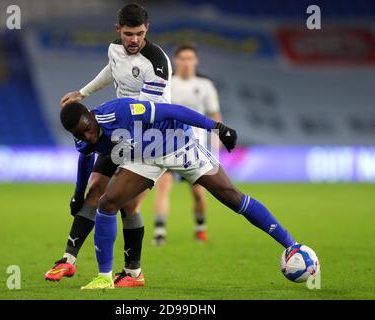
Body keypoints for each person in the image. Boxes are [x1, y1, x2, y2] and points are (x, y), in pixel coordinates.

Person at [59, 97, 297, 290]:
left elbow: (172, 110)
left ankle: (291, 245)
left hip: (178, 143)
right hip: (145, 157)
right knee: (108, 203)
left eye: (88, 129)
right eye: (81, 134)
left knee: (232, 197)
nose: (88, 136)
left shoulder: (121, 110)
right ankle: (103, 278)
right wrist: (78, 194)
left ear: (91, 115)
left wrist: (217, 128)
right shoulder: (83, 139)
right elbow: (85, 161)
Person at [45, 3, 172, 287]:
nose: (134, 40)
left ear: (147, 29)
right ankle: (68, 259)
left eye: (139, 33)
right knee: (96, 190)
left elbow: (143, 110)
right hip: (117, 130)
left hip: (148, 139)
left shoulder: (157, 62)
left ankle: (132, 272)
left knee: (126, 204)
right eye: (128, 34)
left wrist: (109, 119)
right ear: (118, 30)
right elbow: (112, 70)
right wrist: (83, 92)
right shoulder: (115, 49)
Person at [152, 43, 221, 245]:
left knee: (199, 192)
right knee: (163, 186)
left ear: (196, 61)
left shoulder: (205, 85)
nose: (186, 62)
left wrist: (215, 144)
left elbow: (215, 115)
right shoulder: (167, 84)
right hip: (167, 143)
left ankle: (200, 227)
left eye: (190, 58)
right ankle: (159, 232)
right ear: (175, 60)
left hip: (195, 146)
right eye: (182, 58)